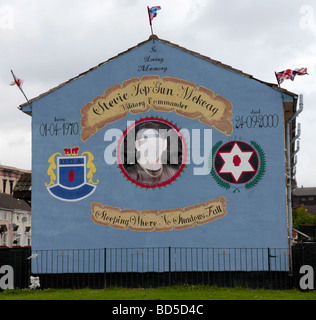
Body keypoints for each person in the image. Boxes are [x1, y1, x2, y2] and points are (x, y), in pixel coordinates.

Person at [122, 120, 182, 185]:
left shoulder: (173, 172)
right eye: (145, 142)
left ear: (164, 145)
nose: (151, 148)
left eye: (156, 142)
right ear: (137, 145)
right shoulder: (129, 173)